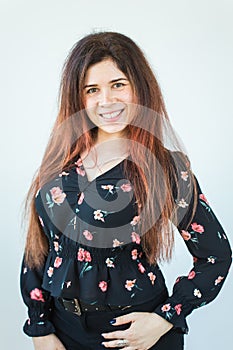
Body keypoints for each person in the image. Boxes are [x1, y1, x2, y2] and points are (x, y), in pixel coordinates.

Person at [20, 31, 232, 350]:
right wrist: (39, 326)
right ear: (77, 98)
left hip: (134, 334)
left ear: (139, 87)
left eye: (118, 84)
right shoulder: (60, 160)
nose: (107, 101)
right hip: (63, 330)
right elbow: (39, 248)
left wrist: (164, 319)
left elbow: (216, 256)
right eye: (92, 89)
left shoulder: (165, 167)